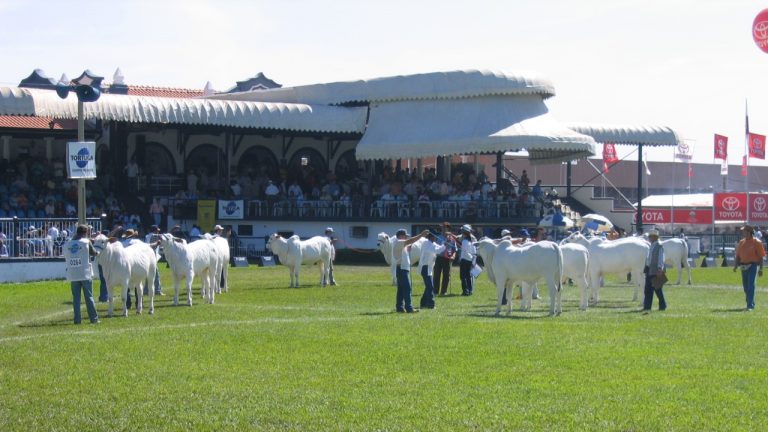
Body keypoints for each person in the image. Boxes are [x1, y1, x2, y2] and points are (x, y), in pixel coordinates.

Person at [63, 224, 99, 324]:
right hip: (85, 273)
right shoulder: (86, 242)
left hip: (73, 273)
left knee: (76, 298)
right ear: (85, 233)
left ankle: (77, 320)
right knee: (89, 297)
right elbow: (94, 253)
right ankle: (94, 319)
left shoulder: (68, 244)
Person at [393, 228, 429, 313]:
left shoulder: (400, 244)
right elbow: (411, 241)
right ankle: (409, 308)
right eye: (405, 236)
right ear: (400, 236)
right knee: (407, 288)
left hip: (402, 268)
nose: (406, 238)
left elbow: (409, 243)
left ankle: (400, 307)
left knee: (401, 289)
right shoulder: (398, 242)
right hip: (402, 269)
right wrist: (421, 235)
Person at [734, 225, 765, 311]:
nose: (743, 233)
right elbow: (738, 256)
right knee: (745, 287)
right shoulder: (741, 242)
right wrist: (736, 266)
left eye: (744, 231)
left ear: (749, 232)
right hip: (743, 266)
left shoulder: (757, 242)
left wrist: (761, 269)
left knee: (751, 285)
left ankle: (750, 305)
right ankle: (750, 302)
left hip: (753, 266)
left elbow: (761, 257)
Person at [419, 230, 446, 309]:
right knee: (430, 286)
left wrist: (445, 242)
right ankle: (431, 304)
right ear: (431, 237)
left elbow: (439, 247)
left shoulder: (432, 243)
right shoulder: (427, 244)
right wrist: (445, 244)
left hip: (429, 268)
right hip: (425, 267)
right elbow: (438, 250)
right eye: (435, 236)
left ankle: (423, 303)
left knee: (428, 286)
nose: (436, 238)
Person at [642, 229, 667, 313]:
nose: (649, 238)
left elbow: (661, 258)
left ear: (654, 237)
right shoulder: (652, 245)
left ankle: (663, 305)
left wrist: (660, 269)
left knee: (658, 289)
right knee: (647, 289)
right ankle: (647, 306)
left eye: (650, 236)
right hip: (649, 269)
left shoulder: (660, 246)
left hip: (656, 270)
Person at [433, 222, 457, 296]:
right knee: (436, 275)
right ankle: (435, 291)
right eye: (442, 227)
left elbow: (455, 249)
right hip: (439, 257)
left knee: (446, 275)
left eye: (444, 227)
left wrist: (453, 256)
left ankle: (444, 291)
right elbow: (435, 247)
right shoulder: (438, 237)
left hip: (447, 258)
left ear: (448, 228)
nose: (442, 229)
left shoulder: (452, 239)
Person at [144, 225, 165, 296]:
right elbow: (161, 236)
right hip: (151, 258)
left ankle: (146, 290)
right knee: (156, 275)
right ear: (155, 230)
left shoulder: (147, 236)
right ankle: (157, 290)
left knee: (148, 275)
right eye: (157, 230)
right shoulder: (154, 236)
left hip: (147, 257)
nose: (158, 231)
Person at [459, 224, 477, 296]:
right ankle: (469, 290)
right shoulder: (471, 242)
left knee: (463, 277)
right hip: (469, 261)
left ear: (464, 233)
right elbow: (474, 253)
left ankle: (465, 291)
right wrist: (472, 261)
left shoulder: (464, 242)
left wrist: (469, 258)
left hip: (464, 261)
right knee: (468, 277)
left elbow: (466, 252)